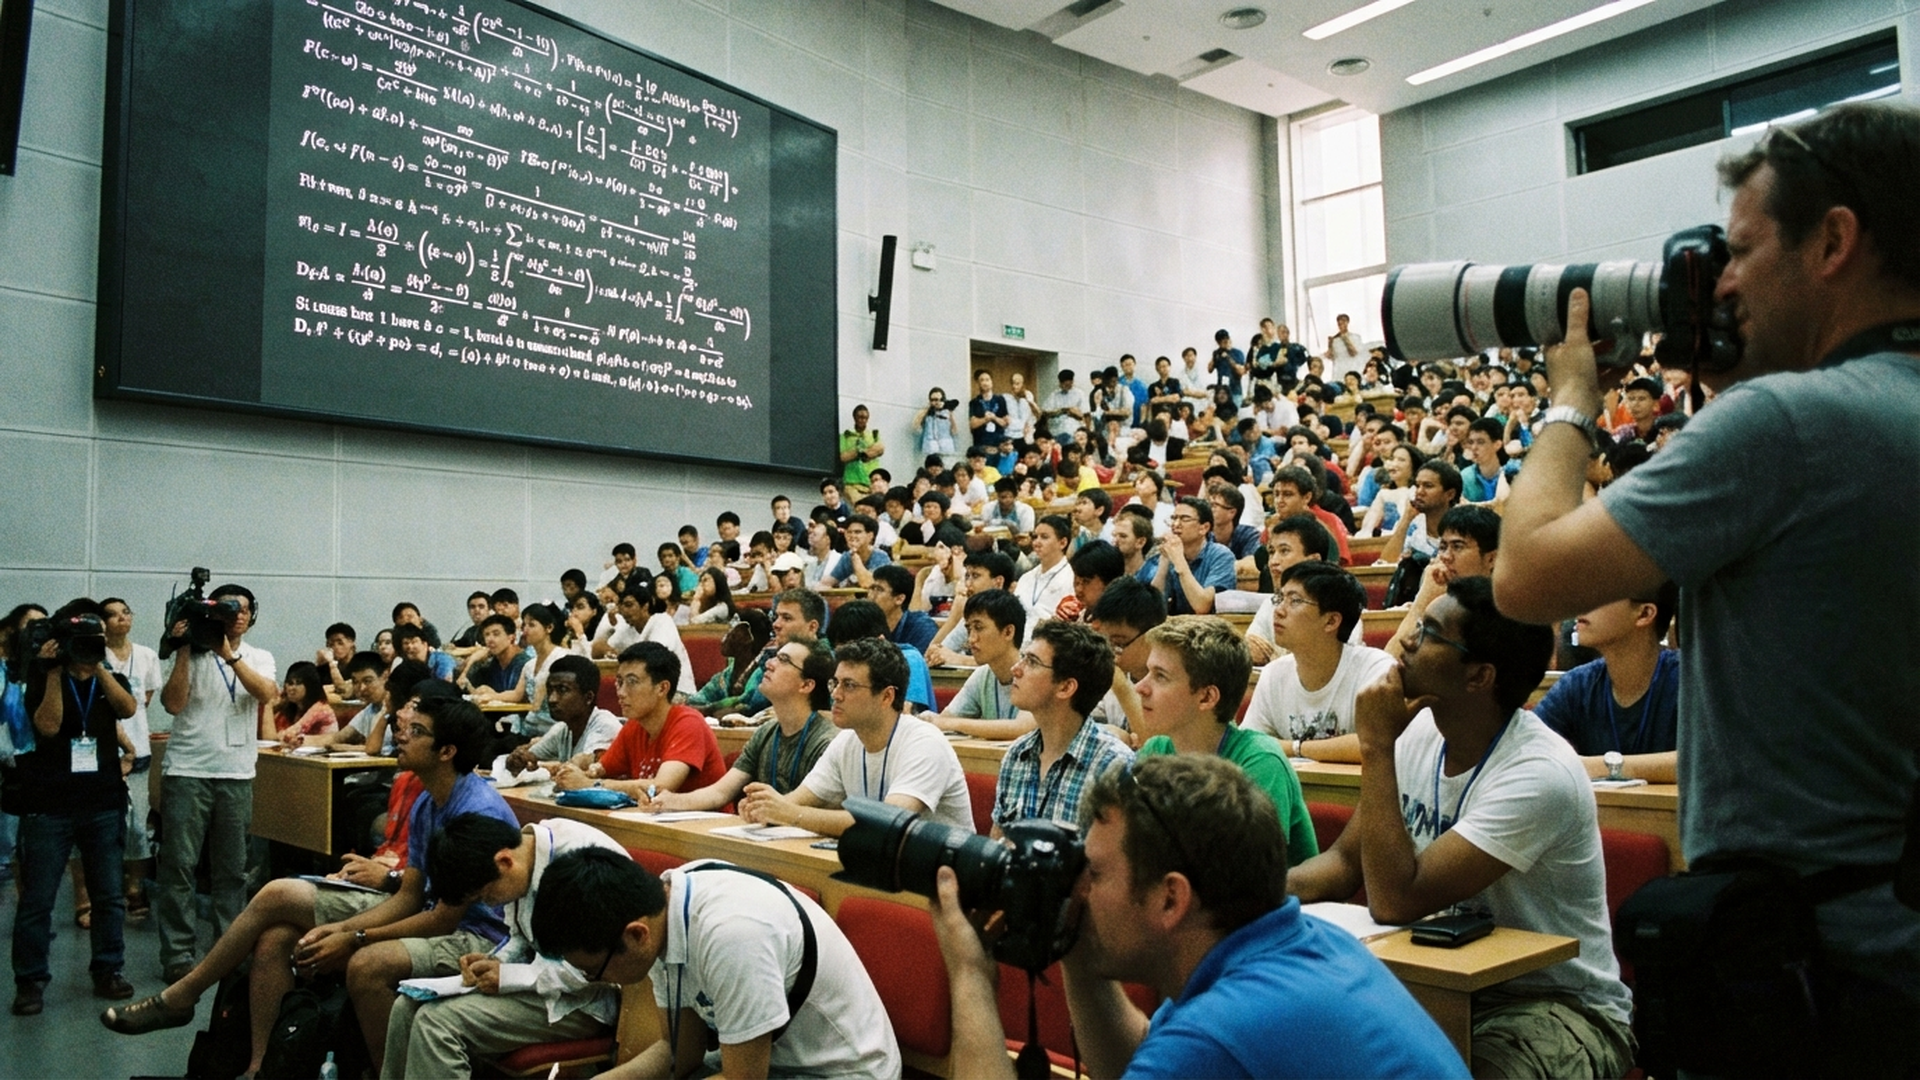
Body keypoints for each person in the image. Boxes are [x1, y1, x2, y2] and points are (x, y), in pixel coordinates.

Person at [1492, 105, 1920, 1074]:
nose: (1720, 284)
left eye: (1739, 251)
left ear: (1835, 241)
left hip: (1808, 982)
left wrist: (1570, 397)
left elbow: (1525, 577)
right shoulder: (1852, 416)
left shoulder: (1787, 426)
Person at [931, 755, 1466, 1080]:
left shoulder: (1223, 1033)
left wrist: (971, 978)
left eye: (1093, 873)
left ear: (1171, 899)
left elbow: (1185, 1057)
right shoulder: (1306, 944)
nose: (1079, 889)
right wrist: (1073, 944)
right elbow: (1138, 1062)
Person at [1288, 577, 1635, 1076]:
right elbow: (1343, 864)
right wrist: (1246, 900)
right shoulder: (1423, 732)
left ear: (1479, 676)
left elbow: (1393, 900)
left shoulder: (1539, 773)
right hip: (1439, 982)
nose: (1405, 639)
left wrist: (1375, 747)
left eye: (1429, 632)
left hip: (1555, 1005)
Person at [104, 693, 516, 1076]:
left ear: (447, 752)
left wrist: (354, 937)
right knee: (277, 931)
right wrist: (337, 930)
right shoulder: (429, 799)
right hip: (428, 914)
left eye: (418, 731)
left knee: (364, 964)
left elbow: (444, 919)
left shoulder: (477, 810)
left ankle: (388, 1073)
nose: (401, 732)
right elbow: (410, 895)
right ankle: (260, 1068)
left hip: (474, 935)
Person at [532, 846, 901, 1077]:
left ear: (635, 935)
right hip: (767, 1064)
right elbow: (682, 1054)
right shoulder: (660, 909)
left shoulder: (733, 935)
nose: (593, 979)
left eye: (593, 970)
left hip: (839, 1071)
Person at [379, 814, 628, 1077]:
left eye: (485, 895)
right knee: (406, 1007)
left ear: (504, 862)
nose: (489, 904)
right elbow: (520, 936)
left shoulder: (583, 866)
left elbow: (590, 971)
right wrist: (496, 961)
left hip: (587, 1000)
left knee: (436, 1024)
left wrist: (508, 977)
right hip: (547, 985)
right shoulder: (523, 853)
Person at [9, 600, 139, 1014]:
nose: (88, 649)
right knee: (38, 899)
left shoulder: (108, 677)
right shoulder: (41, 676)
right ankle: (30, 981)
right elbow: (47, 726)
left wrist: (98, 666)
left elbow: (128, 709)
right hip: (50, 804)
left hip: (102, 801)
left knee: (109, 895)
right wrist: (52, 671)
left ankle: (108, 968)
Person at [153, 582, 275, 984]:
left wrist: (232, 656)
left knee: (232, 870)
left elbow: (265, 694)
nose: (237, 615)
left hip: (236, 773)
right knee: (179, 866)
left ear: (252, 617)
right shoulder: (190, 652)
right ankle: (177, 953)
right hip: (188, 770)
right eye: (228, 609)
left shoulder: (259, 656)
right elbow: (172, 703)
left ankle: (229, 949)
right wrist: (187, 645)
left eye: (243, 609)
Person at [738, 637, 972, 835]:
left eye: (849, 685)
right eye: (835, 683)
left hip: (941, 877)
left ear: (887, 696)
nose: (836, 695)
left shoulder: (924, 742)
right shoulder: (846, 741)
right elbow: (796, 800)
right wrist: (763, 807)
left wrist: (790, 814)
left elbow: (889, 822)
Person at [1131, 615, 1316, 865]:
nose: (1140, 687)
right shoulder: (1156, 750)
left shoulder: (1261, 761)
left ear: (1207, 697)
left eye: (1160, 676)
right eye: (1147, 673)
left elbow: (1244, 876)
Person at [644, 640, 837, 813]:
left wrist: (761, 809)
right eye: (775, 657)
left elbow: (807, 808)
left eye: (783, 660)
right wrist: (670, 800)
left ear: (806, 685)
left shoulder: (827, 741)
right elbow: (720, 792)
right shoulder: (766, 732)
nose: (769, 664)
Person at [1243, 563, 1396, 764]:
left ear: (1331, 621)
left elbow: (1379, 744)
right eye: (1280, 598)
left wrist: (1293, 747)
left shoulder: (1375, 669)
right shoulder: (1274, 674)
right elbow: (1249, 743)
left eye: (1295, 601)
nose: (1278, 611)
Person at [990, 620, 1133, 834]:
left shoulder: (1114, 766)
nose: (1015, 670)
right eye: (1023, 658)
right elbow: (998, 844)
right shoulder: (1016, 754)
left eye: (1032, 662)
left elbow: (1123, 863)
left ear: (1066, 687)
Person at [1533, 583, 1680, 784]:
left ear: (1644, 613)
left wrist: (1598, 766)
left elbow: (1709, 761)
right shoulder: (1577, 685)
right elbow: (1524, 749)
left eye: (1599, 593)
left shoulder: (1689, 680)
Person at [554, 642, 727, 799]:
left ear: (662, 688)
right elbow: (601, 769)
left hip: (704, 827)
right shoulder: (635, 726)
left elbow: (660, 787)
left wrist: (589, 785)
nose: (621, 692)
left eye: (632, 682)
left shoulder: (688, 724)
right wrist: (577, 770)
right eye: (619, 682)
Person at [98, 598, 161, 921]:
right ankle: (107, 891)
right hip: (102, 755)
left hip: (139, 750)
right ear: (102, 622)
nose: (121, 618)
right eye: (113, 614)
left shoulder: (147, 656)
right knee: (106, 827)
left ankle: (135, 886)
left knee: (138, 826)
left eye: (126, 612)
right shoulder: (95, 656)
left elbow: (143, 701)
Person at [926, 589, 1028, 740]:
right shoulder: (982, 675)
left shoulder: (1036, 672)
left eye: (979, 628)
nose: (971, 639)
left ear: (1008, 632)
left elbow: (1021, 728)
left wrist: (950, 724)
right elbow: (945, 719)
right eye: (969, 629)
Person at [500, 654, 622, 779]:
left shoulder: (605, 725)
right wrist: (519, 759)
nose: (552, 699)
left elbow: (584, 768)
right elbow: (529, 756)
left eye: (562, 690)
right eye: (550, 690)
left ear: (588, 698)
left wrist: (540, 766)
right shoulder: (562, 729)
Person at [823, 600, 937, 714]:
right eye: (841, 651)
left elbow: (903, 714)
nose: (847, 659)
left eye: (856, 652)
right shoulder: (836, 658)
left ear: (880, 641)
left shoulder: (908, 659)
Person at [1139, 496, 1237, 616]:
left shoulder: (1221, 556)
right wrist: (1164, 561)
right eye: (1174, 518)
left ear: (1204, 528)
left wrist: (1179, 561)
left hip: (1209, 629)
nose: (1175, 524)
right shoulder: (1170, 553)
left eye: (1184, 519)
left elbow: (1202, 606)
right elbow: (1153, 608)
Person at [1013, 516, 1076, 638]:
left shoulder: (1071, 579)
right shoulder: (1026, 578)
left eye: (1044, 537)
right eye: (1035, 537)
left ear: (1062, 543)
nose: (1037, 542)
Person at [869, 563, 937, 655]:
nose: (871, 596)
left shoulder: (922, 627)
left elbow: (918, 664)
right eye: (872, 588)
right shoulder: (865, 623)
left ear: (899, 599)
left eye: (879, 590)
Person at [266, 660, 337, 744]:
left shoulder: (320, 708)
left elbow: (287, 735)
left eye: (298, 683)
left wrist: (268, 707)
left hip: (324, 754)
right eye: (290, 683)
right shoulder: (295, 708)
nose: (291, 688)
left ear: (310, 686)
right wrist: (276, 707)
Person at [461, 614, 527, 696]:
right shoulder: (493, 662)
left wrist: (494, 695)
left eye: (496, 634)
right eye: (487, 635)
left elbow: (521, 699)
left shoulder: (524, 663)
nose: (490, 639)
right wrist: (474, 660)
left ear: (511, 638)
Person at [915, 386, 962, 458]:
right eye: (934, 400)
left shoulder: (947, 412)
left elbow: (955, 431)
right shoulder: (926, 412)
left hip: (945, 447)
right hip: (930, 448)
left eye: (940, 399)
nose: (937, 402)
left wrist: (949, 411)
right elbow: (915, 426)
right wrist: (929, 408)